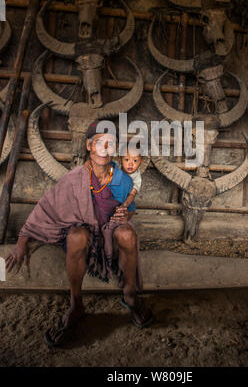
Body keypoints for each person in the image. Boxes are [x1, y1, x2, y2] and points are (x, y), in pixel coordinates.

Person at [5, 120, 154, 347]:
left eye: (110, 144)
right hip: (86, 234)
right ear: (88, 145)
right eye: (99, 143)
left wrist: (125, 216)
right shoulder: (74, 178)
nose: (104, 149)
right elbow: (46, 208)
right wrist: (21, 242)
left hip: (110, 233)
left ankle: (130, 295)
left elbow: (130, 210)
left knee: (128, 235)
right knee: (76, 236)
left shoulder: (122, 178)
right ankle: (76, 305)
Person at [117, 145, 144, 209]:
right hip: (112, 197)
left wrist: (124, 206)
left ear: (141, 161)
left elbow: (132, 194)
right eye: (127, 159)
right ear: (120, 159)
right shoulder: (116, 168)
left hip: (126, 201)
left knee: (132, 208)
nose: (131, 164)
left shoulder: (136, 177)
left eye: (135, 160)